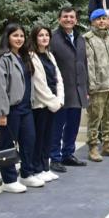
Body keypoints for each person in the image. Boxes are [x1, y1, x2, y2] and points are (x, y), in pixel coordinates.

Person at [0, 23, 41, 193]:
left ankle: (26, 174)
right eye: (15, 35)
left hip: (25, 109)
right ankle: (8, 180)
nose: (19, 39)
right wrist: (1, 113)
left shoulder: (23, 57)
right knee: (7, 144)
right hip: (10, 110)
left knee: (29, 140)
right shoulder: (1, 59)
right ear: (7, 37)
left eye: (22, 36)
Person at [49, 8, 88, 173]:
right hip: (61, 92)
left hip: (78, 90)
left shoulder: (80, 39)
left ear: (76, 20)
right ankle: (55, 158)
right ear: (59, 19)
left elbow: (84, 65)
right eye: (65, 16)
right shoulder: (53, 39)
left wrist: (86, 88)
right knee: (57, 127)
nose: (69, 19)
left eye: (72, 17)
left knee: (73, 125)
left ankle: (68, 154)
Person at [83, 9, 109, 162]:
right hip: (98, 86)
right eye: (98, 19)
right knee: (95, 118)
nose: (102, 21)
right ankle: (93, 147)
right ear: (92, 21)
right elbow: (89, 65)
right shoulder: (88, 39)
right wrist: (91, 85)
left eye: (104, 19)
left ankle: (108, 144)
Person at [28, 26, 64, 184]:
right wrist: (53, 102)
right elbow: (39, 84)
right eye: (40, 35)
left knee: (48, 138)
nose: (44, 38)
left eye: (46, 35)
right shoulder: (32, 56)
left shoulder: (49, 54)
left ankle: (45, 167)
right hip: (41, 105)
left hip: (53, 103)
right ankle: (37, 169)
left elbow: (58, 78)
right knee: (39, 138)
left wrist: (60, 99)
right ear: (35, 38)